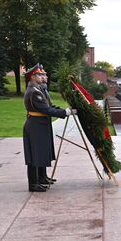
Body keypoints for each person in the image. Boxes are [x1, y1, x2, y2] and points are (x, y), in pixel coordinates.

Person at [23, 64, 75, 192]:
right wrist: (65, 113)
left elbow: (49, 106)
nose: (43, 76)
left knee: (41, 152)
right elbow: (46, 109)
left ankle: (41, 178)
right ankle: (33, 184)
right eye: (40, 74)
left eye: (42, 74)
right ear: (32, 77)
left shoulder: (38, 90)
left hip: (40, 124)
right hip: (35, 125)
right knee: (34, 155)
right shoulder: (34, 93)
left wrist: (64, 111)